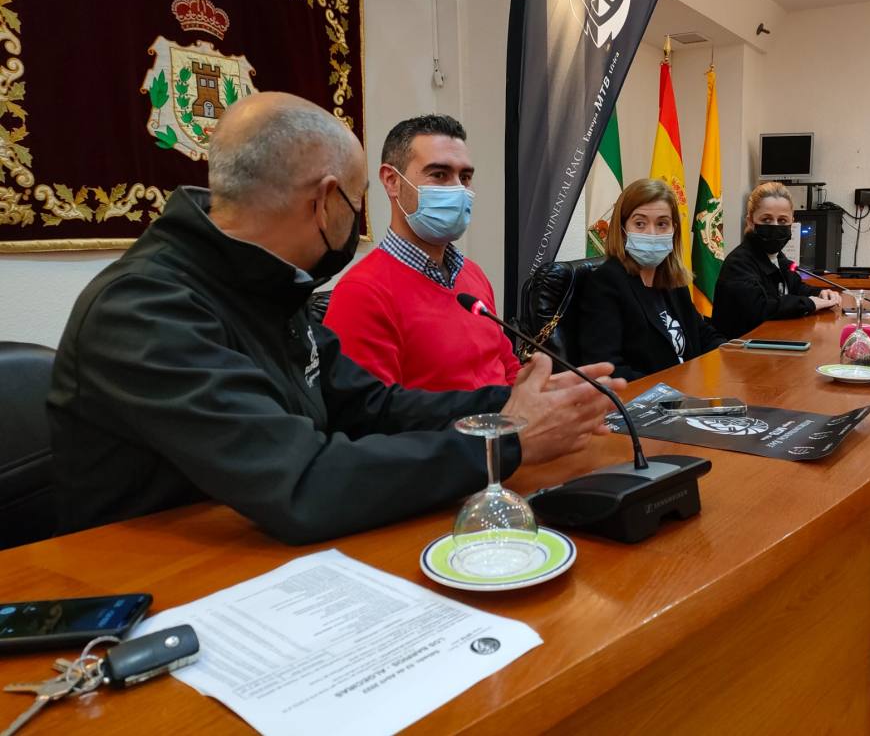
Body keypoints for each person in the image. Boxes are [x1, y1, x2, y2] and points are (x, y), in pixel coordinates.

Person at [48, 93, 623, 545]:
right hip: (154, 577)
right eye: (357, 200)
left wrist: (508, 408)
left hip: (248, 545)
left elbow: (370, 406)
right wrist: (509, 444)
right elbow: (300, 481)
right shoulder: (145, 309)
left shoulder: (268, 285)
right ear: (326, 202)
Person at [323, 115, 519, 392]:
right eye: (439, 175)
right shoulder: (361, 293)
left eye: (465, 177)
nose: (458, 190)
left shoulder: (473, 274)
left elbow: (507, 367)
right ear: (392, 180)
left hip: (507, 419)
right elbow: (371, 410)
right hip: (469, 422)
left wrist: (547, 393)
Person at [576, 178, 726, 381]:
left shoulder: (671, 278)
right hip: (647, 397)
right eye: (640, 224)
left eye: (662, 224)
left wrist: (731, 353)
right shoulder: (606, 282)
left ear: (674, 230)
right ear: (622, 230)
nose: (652, 233)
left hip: (689, 389)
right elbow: (606, 369)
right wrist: (670, 389)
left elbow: (702, 334)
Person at [712, 181, 842, 339]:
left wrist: (820, 293)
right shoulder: (738, 263)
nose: (775, 226)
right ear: (750, 221)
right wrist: (810, 303)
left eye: (782, 221)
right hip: (742, 348)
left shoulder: (779, 258)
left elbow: (796, 287)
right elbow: (761, 308)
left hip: (774, 341)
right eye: (766, 220)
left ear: (792, 222)